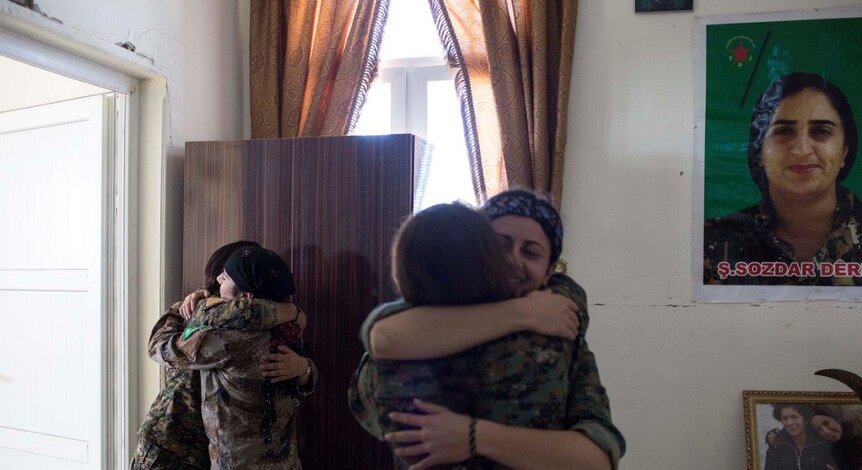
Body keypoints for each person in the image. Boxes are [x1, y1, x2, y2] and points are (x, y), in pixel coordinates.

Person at [359, 190, 625, 470]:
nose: (513, 260)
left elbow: (597, 460)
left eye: (531, 252)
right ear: (473, 252)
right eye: (500, 245)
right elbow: (383, 335)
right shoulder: (424, 320)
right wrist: (522, 313)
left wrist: (476, 436)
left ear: (549, 272)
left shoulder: (563, 333)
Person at [133, 241, 311, 469]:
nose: (218, 280)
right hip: (176, 445)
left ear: (247, 294)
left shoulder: (221, 332)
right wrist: (294, 314)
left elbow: (158, 346)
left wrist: (183, 308)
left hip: (195, 449)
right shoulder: (285, 328)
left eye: (226, 276)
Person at [704, 72, 862, 285]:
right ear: (759, 151)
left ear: (844, 150)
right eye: (784, 131)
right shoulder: (710, 243)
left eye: (821, 131)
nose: (801, 149)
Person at [764, 404, 835, 470]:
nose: (789, 423)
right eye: (785, 418)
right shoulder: (776, 445)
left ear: (805, 418)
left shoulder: (823, 442)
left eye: (794, 417)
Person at [811, 405, 862, 470]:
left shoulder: (858, 441)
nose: (826, 432)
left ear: (836, 418)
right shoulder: (832, 450)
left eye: (826, 423)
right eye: (819, 430)